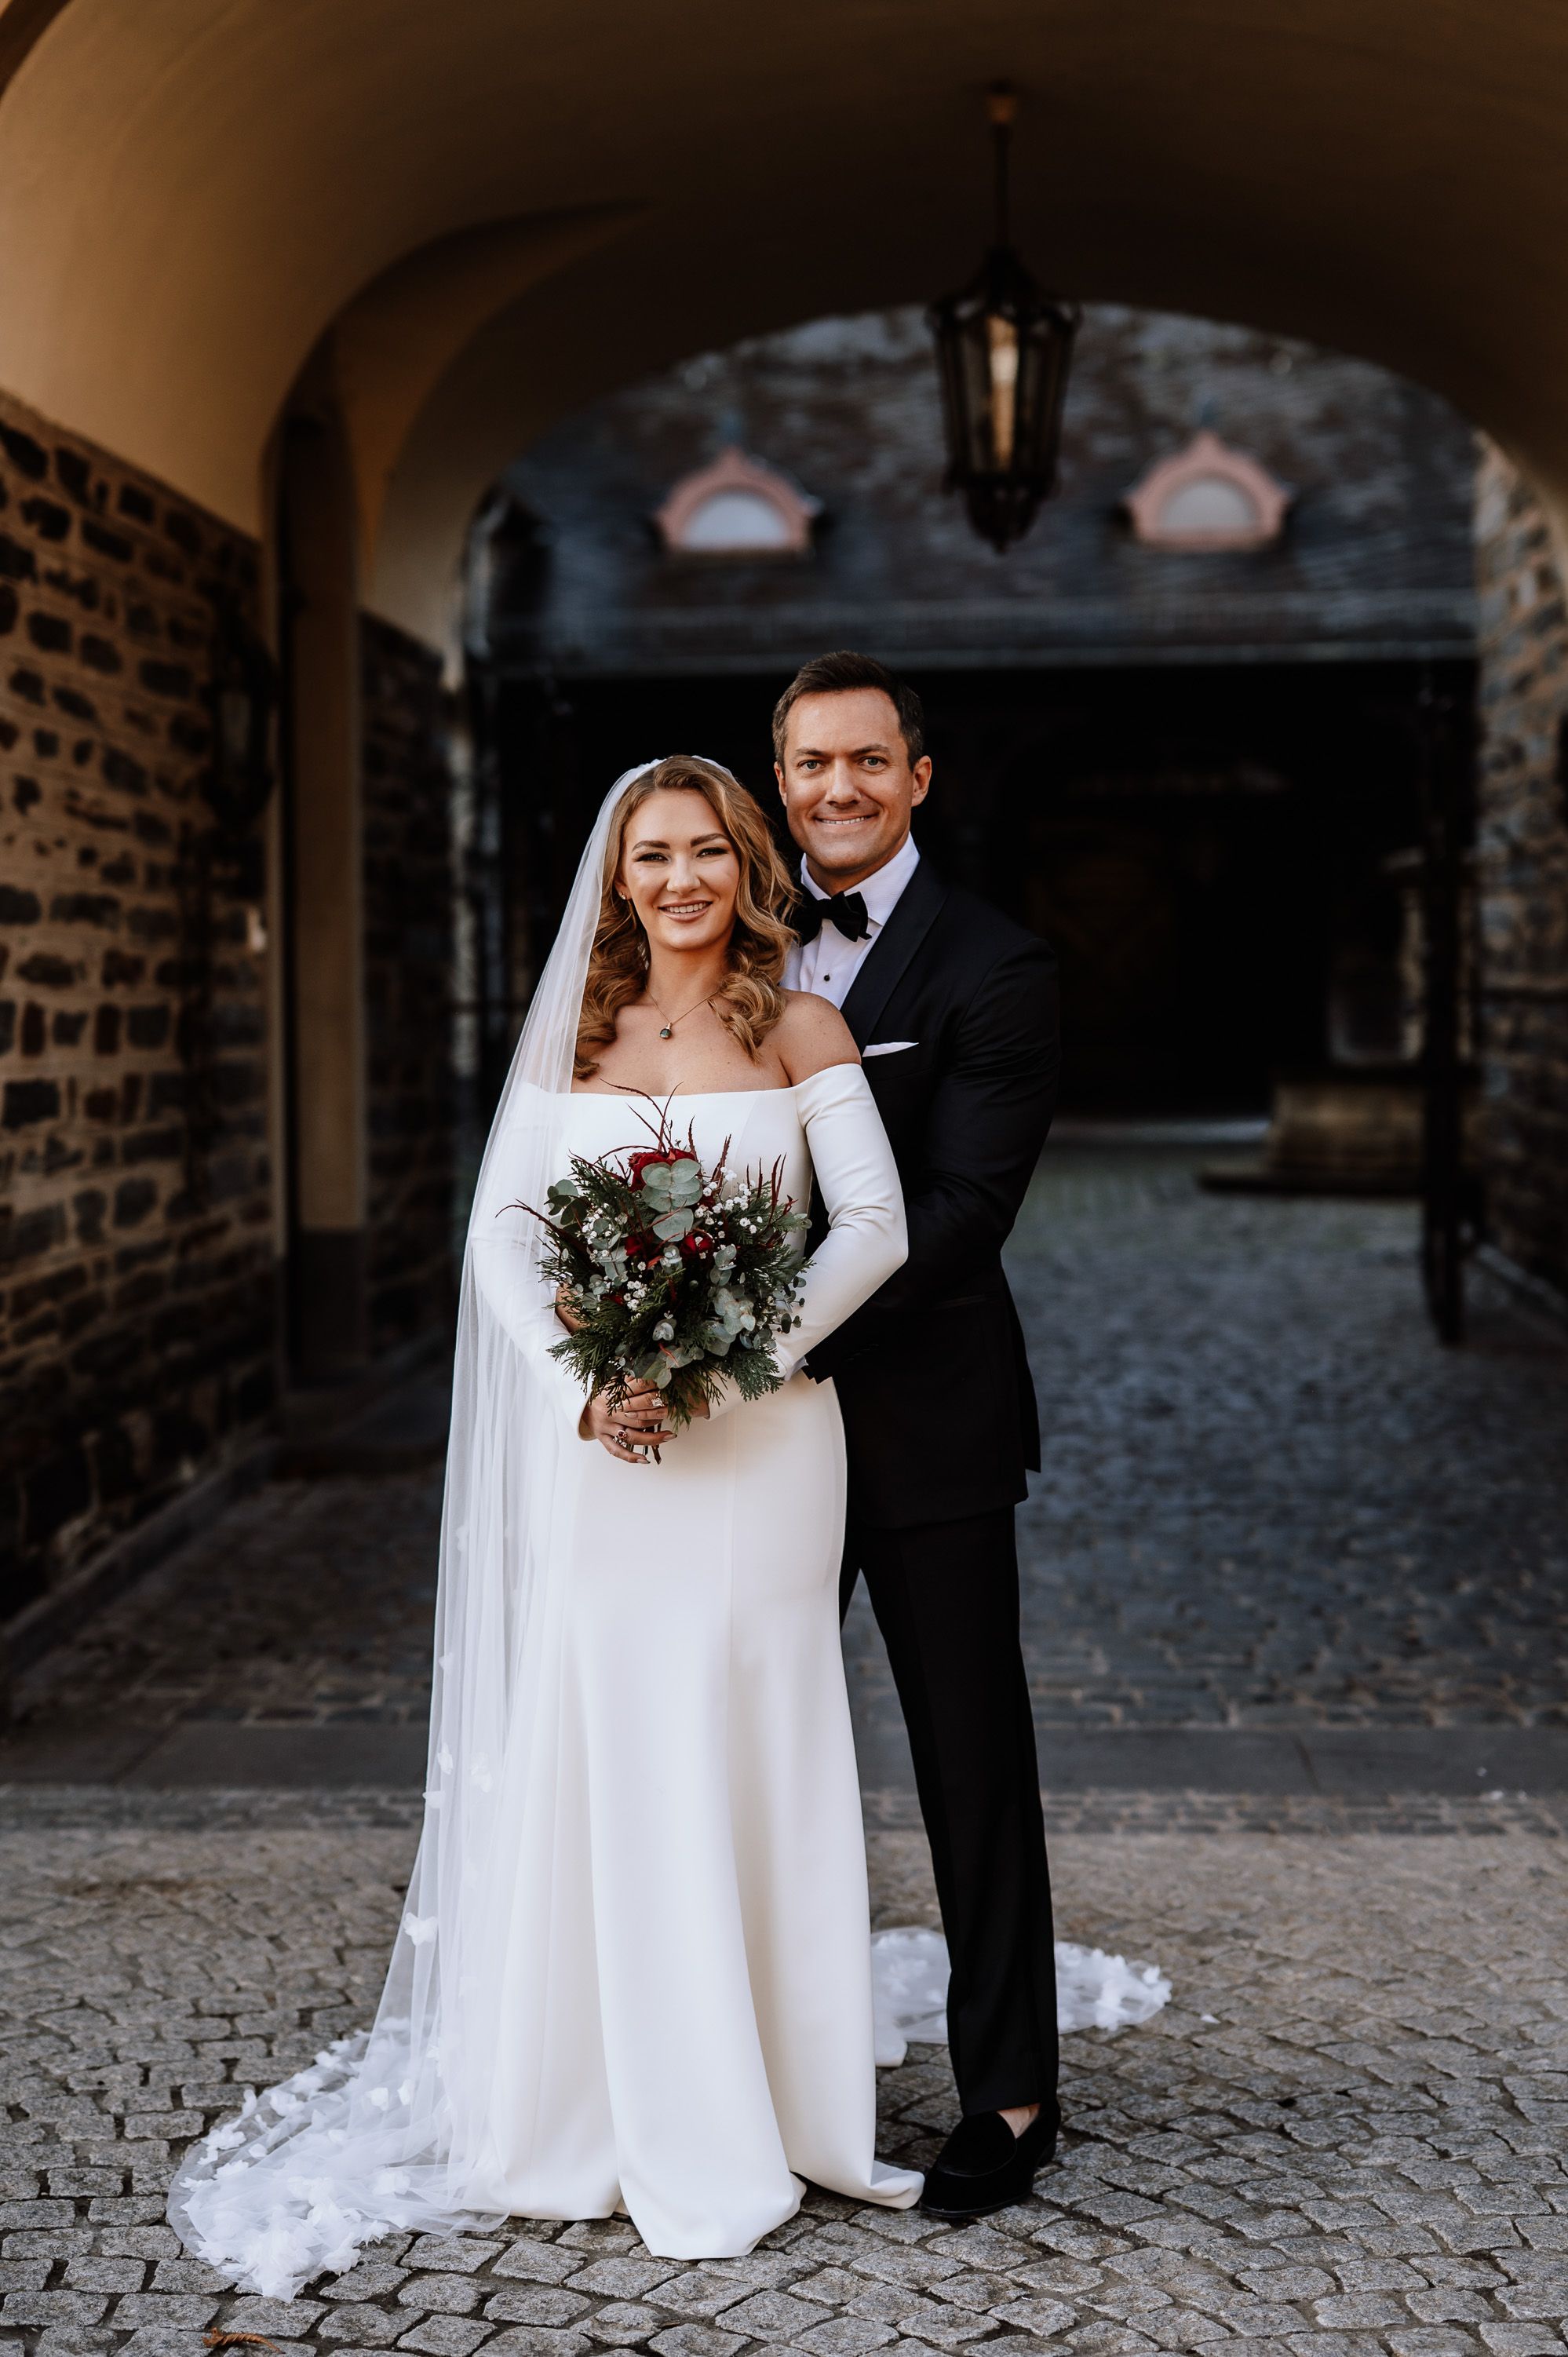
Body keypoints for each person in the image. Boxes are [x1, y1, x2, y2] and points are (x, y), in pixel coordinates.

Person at [166, 755, 921, 2293]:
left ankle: (775, 2102)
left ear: (746, 867)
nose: (683, 878)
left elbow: (877, 1225)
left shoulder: (803, 1027)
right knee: (614, 1732)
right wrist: (592, 1379)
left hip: (769, 1444)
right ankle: (596, 2101)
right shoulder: (576, 1036)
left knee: (754, 1729)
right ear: (619, 874)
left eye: (710, 849)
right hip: (602, 1447)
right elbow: (503, 1231)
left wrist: (730, 1357)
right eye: (654, 853)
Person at [775, 650, 1063, 2220]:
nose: (837, 788)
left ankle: (1013, 2088)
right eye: (811, 763)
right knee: (745, 1734)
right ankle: (741, 2060)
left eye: (867, 762)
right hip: (747, 1446)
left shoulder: (995, 964)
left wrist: (758, 1330)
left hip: (925, 1421)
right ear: (783, 776)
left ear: (918, 776)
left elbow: (956, 1216)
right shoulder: (737, 951)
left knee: (969, 1755)